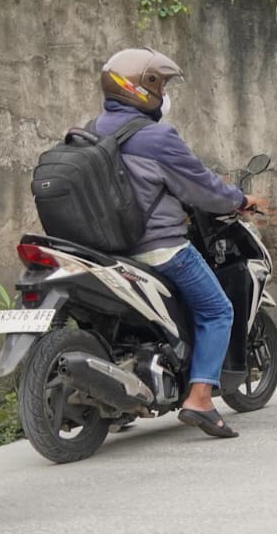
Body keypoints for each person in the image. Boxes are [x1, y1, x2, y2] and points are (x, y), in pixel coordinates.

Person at [95, 48, 266, 439]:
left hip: (109, 252)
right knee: (218, 310)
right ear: (145, 88)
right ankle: (201, 398)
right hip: (160, 249)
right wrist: (240, 201)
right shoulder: (157, 136)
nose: (165, 93)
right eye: (162, 84)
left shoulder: (93, 129)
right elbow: (202, 186)